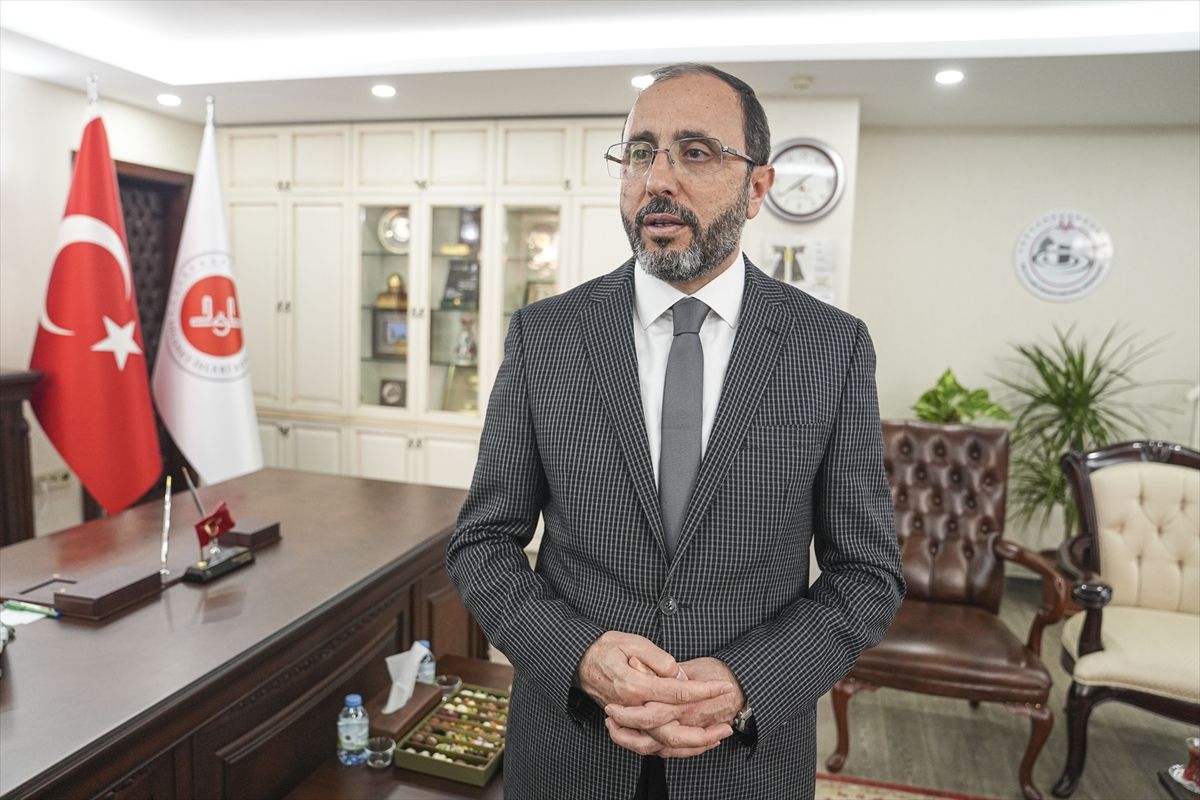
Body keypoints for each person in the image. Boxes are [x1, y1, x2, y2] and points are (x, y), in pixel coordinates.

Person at [447, 63, 904, 800]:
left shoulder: (831, 348)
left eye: (695, 152)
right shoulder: (545, 337)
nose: (657, 179)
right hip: (570, 753)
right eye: (640, 153)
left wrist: (745, 682)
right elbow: (482, 542)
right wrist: (579, 655)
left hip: (744, 761)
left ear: (757, 188)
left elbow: (866, 574)